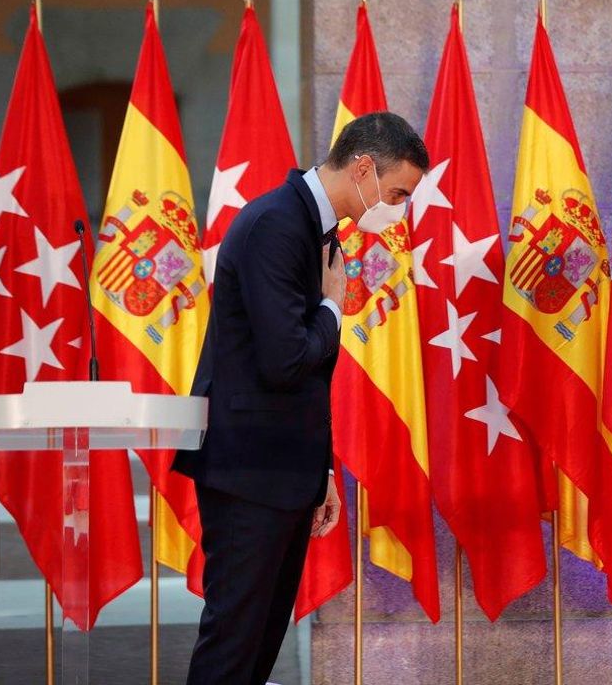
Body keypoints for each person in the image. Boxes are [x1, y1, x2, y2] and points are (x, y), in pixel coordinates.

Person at [173, 111, 428, 685]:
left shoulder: (317, 230)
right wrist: (333, 307)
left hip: (283, 471)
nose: (399, 209)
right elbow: (286, 359)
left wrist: (322, 473)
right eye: (397, 194)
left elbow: (310, 377)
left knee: (260, 643)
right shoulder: (276, 225)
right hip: (248, 472)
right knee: (234, 644)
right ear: (363, 167)